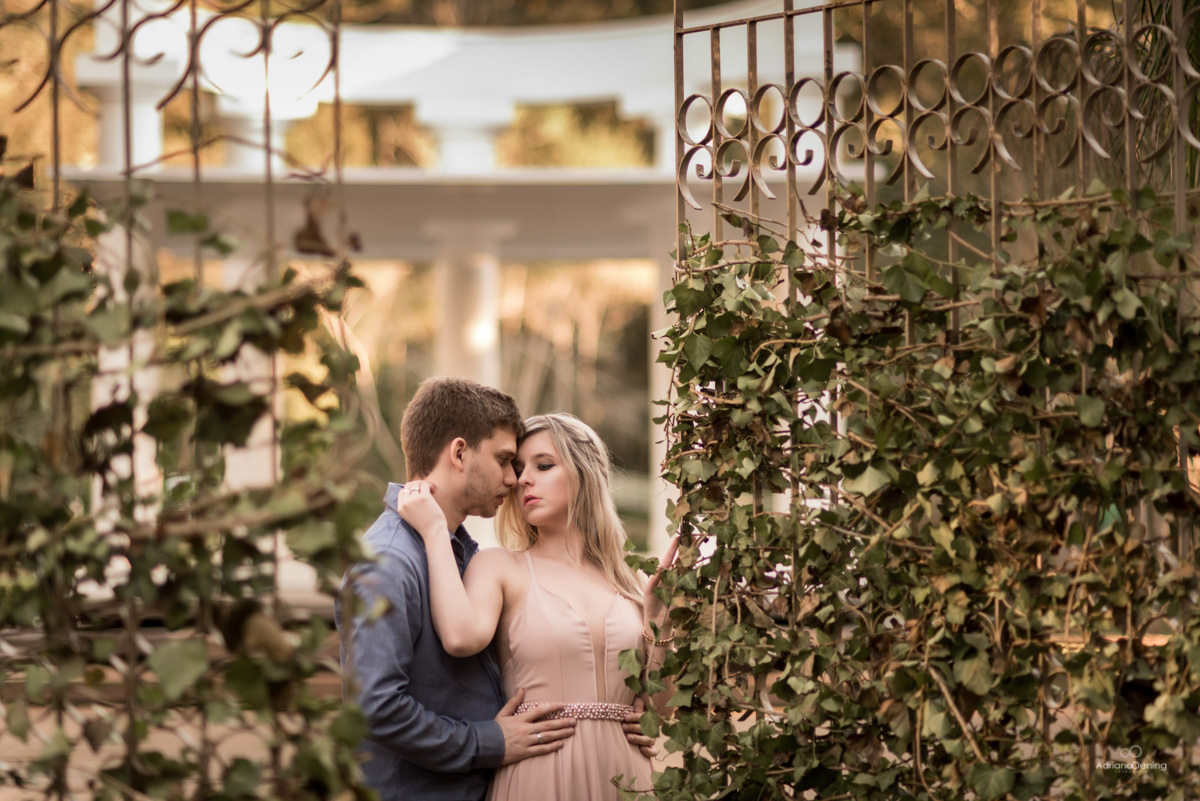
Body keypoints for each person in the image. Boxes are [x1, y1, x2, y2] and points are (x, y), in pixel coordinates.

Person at [336, 380, 658, 801]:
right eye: (508, 461)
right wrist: (490, 741)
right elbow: (374, 709)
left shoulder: (462, 554)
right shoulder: (389, 562)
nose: (515, 480)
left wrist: (619, 709)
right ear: (458, 453)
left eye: (532, 466)